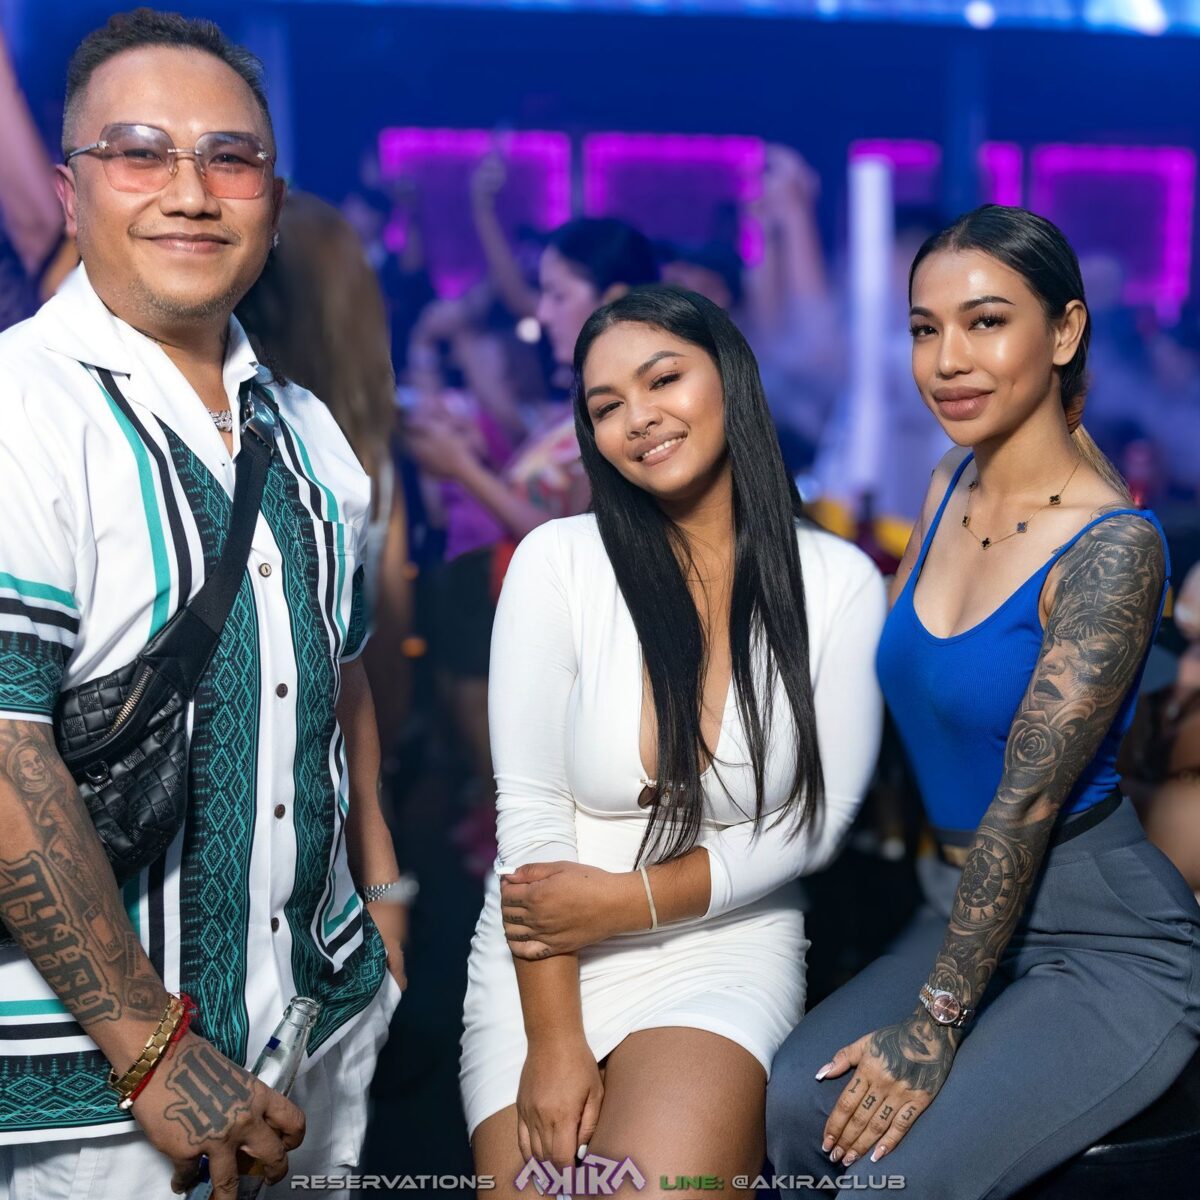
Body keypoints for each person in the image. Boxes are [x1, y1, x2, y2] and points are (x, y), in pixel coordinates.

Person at [0, 12, 402, 1200]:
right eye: (139, 152)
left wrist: (385, 908)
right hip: (102, 1092)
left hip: (318, 1034)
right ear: (69, 192)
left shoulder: (310, 432)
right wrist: (151, 1048)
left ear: (271, 203)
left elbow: (342, 685)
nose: (190, 191)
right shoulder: (25, 407)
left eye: (229, 159)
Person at [766, 205, 1200, 1199]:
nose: (948, 360)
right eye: (926, 329)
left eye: (987, 322)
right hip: (954, 906)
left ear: (1066, 330)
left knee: (896, 1179)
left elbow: (1026, 802)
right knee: (793, 1104)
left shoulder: (1112, 549)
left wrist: (931, 1031)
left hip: (1100, 939)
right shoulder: (946, 482)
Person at [460, 285, 886, 1197]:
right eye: (606, 406)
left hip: (725, 944)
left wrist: (627, 904)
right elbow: (529, 811)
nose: (639, 419)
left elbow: (818, 823)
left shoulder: (837, 581)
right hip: (547, 961)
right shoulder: (558, 562)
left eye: (663, 380)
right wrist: (555, 1041)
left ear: (729, 377)